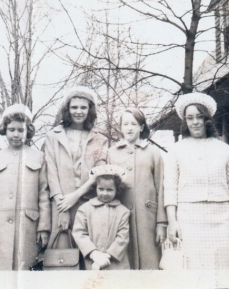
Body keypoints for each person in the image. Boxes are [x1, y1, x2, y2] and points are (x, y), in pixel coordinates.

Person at [164, 92, 229, 269]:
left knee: (223, 270)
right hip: (189, 218)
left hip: (221, 217)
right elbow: (170, 189)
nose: (195, 122)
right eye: (190, 118)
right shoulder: (176, 150)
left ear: (207, 119)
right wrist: (172, 221)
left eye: (199, 117)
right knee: (194, 270)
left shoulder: (224, 149)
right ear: (185, 121)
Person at [0, 104, 51, 270]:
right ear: (5, 131)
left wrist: (44, 227)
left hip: (28, 228)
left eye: (20, 130)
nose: (16, 134)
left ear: (27, 131)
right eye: (11, 129)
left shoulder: (38, 157)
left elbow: (44, 195)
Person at [44, 86, 108, 248]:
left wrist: (77, 195)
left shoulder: (99, 139)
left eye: (83, 107)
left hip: (90, 203)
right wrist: (63, 208)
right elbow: (51, 173)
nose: (78, 111)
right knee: (63, 256)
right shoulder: (53, 136)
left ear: (90, 110)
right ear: (67, 109)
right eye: (74, 107)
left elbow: (99, 173)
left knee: (89, 254)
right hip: (61, 205)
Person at [107, 108, 167, 270]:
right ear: (120, 127)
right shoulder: (112, 153)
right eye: (125, 124)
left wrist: (161, 223)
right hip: (120, 218)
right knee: (124, 264)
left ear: (141, 127)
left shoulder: (153, 152)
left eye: (134, 124)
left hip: (148, 218)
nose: (129, 128)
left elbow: (162, 187)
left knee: (150, 265)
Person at [72, 164, 130, 270]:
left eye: (109, 190)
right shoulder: (84, 209)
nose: (105, 193)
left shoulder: (123, 211)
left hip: (115, 264)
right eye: (101, 189)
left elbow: (123, 237)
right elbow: (79, 233)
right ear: (95, 188)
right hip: (92, 261)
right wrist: (94, 254)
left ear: (117, 190)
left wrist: (106, 256)